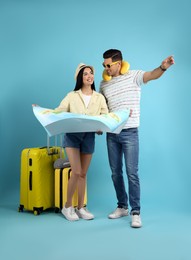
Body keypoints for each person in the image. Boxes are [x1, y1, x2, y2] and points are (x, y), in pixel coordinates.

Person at [99, 49, 175, 228]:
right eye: (103, 65)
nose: (106, 68)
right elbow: (103, 109)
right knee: (115, 172)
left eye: (108, 65)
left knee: (132, 173)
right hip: (112, 134)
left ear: (118, 63)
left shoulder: (134, 76)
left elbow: (152, 75)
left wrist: (163, 68)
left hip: (130, 133)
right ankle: (122, 206)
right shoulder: (104, 84)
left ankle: (136, 212)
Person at [55, 63, 108, 221]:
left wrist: (100, 127)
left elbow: (105, 116)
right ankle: (67, 206)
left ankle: (80, 208)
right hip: (72, 136)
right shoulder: (72, 95)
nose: (89, 76)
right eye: (85, 74)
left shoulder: (99, 98)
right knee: (76, 172)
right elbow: (59, 110)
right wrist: (42, 111)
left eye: (91, 73)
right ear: (80, 77)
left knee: (83, 174)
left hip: (89, 137)